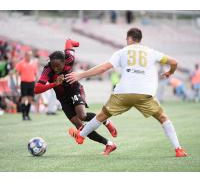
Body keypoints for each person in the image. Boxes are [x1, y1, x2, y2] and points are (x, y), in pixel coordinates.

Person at [66, 28, 188, 157]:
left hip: (123, 93)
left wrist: (81, 75)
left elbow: (103, 68)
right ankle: (178, 149)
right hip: (145, 94)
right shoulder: (151, 52)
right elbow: (174, 62)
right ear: (140, 39)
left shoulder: (122, 52)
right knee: (163, 118)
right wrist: (170, 72)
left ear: (129, 39)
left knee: (102, 116)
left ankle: (81, 136)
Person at [34, 39, 118, 155]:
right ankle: (109, 144)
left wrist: (76, 44)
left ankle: (107, 122)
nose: (56, 69)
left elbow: (68, 42)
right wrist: (54, 84)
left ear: (64, 62)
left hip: (75, 90)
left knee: (82, 116)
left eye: (58, 66)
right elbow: (37, 89)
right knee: (80, 128)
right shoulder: (48, 70)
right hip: (63, 99)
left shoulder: (69, 57)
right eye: (53, 66)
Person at [15, 50, 38, 120]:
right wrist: (17, 83)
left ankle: (27, 115)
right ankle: (23, 115)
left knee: (30, 99)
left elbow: (35, 74)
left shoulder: (34, 63)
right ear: (25, 55)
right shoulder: (21, 63)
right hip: (24, 83)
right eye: (28, 55)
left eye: (30, 55)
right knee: (24, 99)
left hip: (32, 83)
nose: (30, 56)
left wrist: (37, 83)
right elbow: (17, 74)